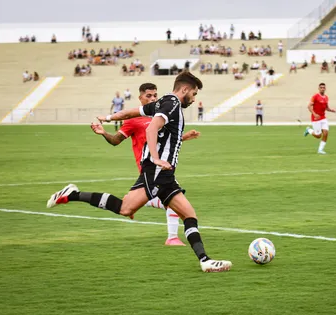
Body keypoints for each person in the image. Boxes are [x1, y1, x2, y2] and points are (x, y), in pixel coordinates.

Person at [47, 72, 232, 273]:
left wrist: (107, 117)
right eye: (194, 94)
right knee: (127, 209)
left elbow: (130, 113)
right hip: (157, 171)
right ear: (185, 89)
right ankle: (72, 194)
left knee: (188, 214)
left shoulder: (162, 103)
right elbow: (152, 129)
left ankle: (205, 260)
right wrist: (156, 157)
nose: (194, 99)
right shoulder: (172, 104)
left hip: (164, 174)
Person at [89, 83, 196, 246]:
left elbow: (165, 142)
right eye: (148, 96)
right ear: (140, 98)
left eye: (155, 95)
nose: (153, 98)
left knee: (161, 203)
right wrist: (104, 133)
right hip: (150, 169)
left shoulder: (162, 115)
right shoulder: (134, 120)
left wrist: (182, 138)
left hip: (159, 168)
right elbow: (116, 140)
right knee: (171, 202)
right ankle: (173, 238)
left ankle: (171, 236)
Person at [303, 83, 336, 154]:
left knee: (326, 133)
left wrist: (331, 110)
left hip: (323, 118)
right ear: (319, 88)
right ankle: (309, 130)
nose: (322, 89)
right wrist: (314, 114)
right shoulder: (315, 96)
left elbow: (326, 107)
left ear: (325, 89)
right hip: (315, 118)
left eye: (323, 87)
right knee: (318, 135)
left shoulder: (326, 97)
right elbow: (309, 106)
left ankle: (320, 150)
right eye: (321, 87)